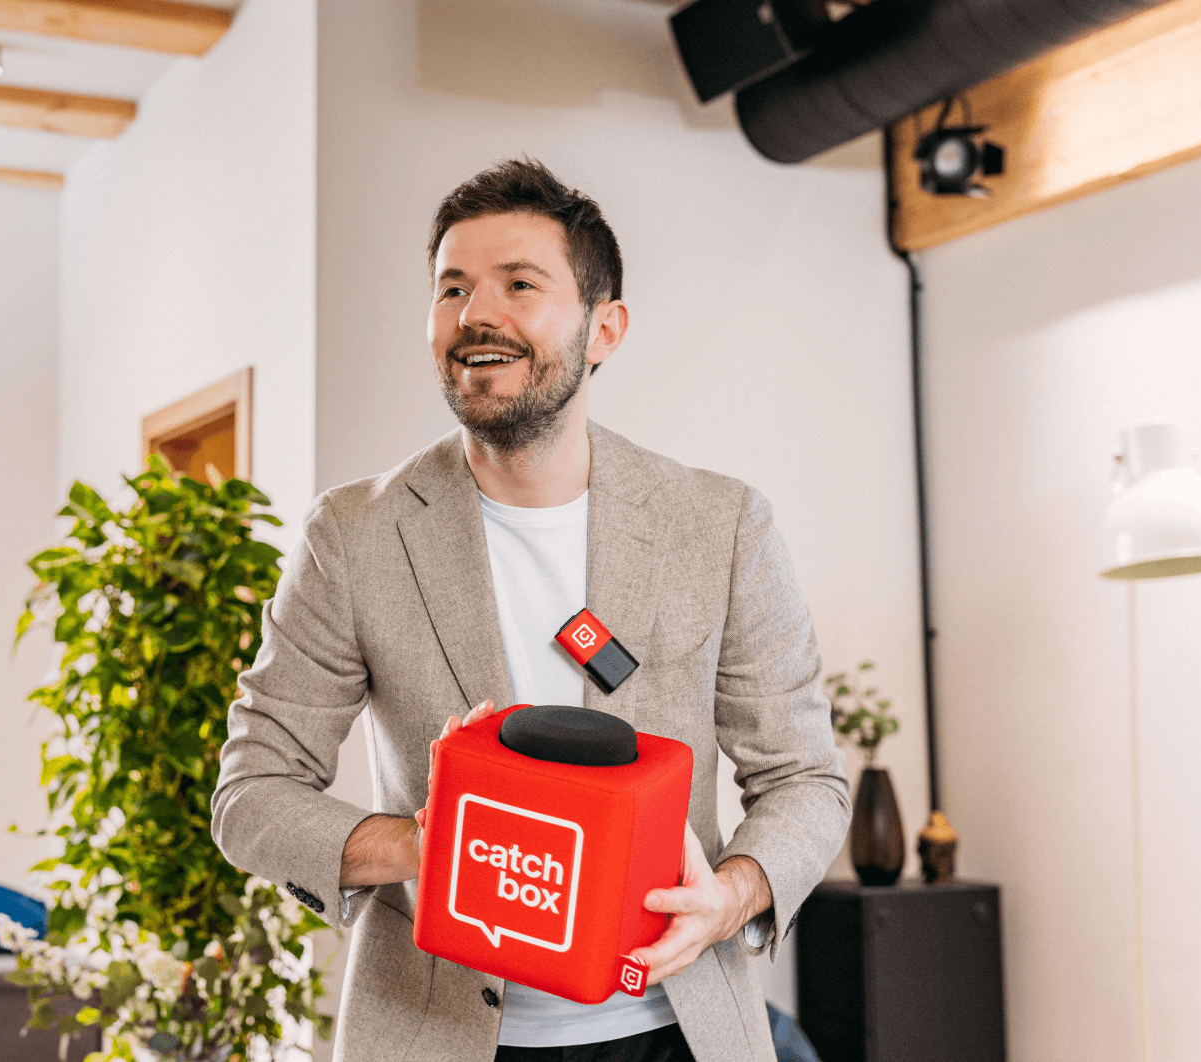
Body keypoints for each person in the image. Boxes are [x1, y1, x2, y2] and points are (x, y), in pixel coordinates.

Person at [211, 159, 849, 1062]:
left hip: (675, 1030)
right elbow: (251, 795)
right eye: (453, 288)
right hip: (439, 1035)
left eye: (520, 284)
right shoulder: (352, 536)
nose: (477, 314)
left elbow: (805, 780)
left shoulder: (721, 525)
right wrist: (412, 847)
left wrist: (733, 894)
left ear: (605, 328)